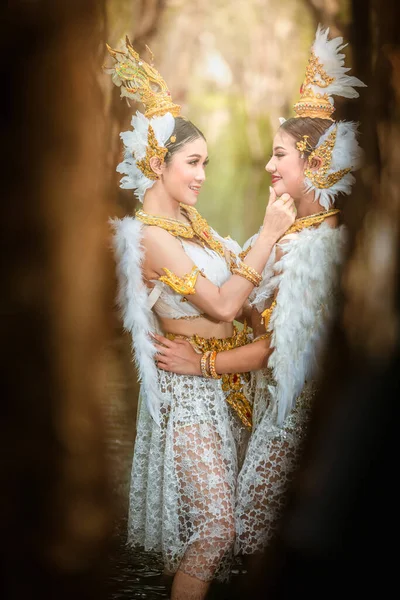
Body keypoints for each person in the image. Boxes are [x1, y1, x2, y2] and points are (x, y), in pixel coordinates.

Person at [152, 24, 366, 563]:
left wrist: (200, 362)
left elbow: (275, 347)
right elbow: (249, 308)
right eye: (269, 156)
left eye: (279, 156)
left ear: (314, 166)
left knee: (248, 542)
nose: (269, 166)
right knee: (247, 541)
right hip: (265, 407)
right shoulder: (289, 229)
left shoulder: (322, 247)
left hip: (289, 417)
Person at [105, 39, 295, 600]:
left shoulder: (193, 226)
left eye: (206, 163)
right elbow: (222, 304)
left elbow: (244, 292)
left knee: (208, 533)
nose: (202, 176)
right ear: (155, 164)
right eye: (192, 163)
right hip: (185, 392)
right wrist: (269, 233)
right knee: (216, 527)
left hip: (221, 385)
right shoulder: (150, 237)